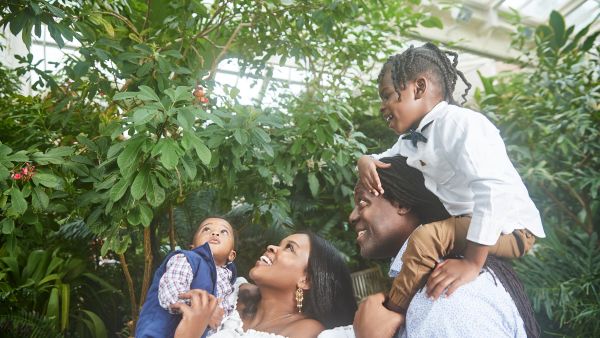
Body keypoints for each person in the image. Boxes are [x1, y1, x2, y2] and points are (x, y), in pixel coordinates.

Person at [357, 42, 545, 320]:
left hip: (510, 228)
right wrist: (364, 159)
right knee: (431, 234)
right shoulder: (413, 138)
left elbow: (492, 192)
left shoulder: (460, 124)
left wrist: (471, 263)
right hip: (471, 221)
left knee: (426, 239)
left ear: (419, 88)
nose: (382, 107)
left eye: (387, 96)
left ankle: (391, 314)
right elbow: (384, 157)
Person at [347, 156, 540, 338]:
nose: (352, 216)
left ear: (401, 203)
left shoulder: (445, 296)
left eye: (363, 202)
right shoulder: (434, 285)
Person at [172, 231, 357, 338]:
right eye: (281, 243)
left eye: (289, 248)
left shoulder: (306, 331)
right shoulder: (232, 289)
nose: (271, 247)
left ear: (306, 280)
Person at [136, 217, 238, 338]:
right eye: (206, 229)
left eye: (223, 232)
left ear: (231, 255)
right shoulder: (187, 259)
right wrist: (206, 312)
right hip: (157, 333)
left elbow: (223, 312)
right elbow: (171, 293)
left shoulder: (227, 279)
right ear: (193, 247)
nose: (215, 233)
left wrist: (218, 314)